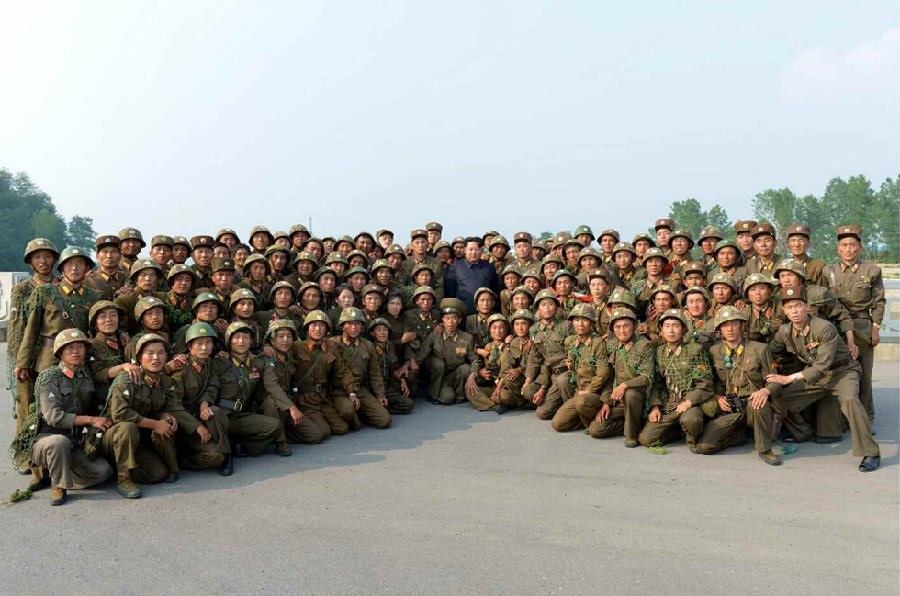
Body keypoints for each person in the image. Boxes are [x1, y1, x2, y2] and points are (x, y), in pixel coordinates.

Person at [766, 287, 880, 472]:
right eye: (789, 307)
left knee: (851, 401)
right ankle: (802, 433)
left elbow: (822, 365)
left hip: (842, 372)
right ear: (784, 311)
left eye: (798, 306)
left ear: (807, 307)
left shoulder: (824, 327)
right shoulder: (784, 332)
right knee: (780, 399)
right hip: (816, 377)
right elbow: (770, 352)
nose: (794, 311)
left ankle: (871, 452)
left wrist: (788, 378)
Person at [22, 329, 114, 505]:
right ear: (60, 352)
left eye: (80, 346)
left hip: (73, 439)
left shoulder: (86, 376)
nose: (75, 351)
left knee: (104, 471)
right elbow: (53, 417)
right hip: (46, 438)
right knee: (58, 442)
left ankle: (59, 472)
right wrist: (90, 420)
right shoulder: (49, 377)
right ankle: (58, 485)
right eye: (69, 347)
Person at [695, 306, 782, 465]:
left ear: (741, 325)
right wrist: (717, 397)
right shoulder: (714, 351)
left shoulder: (759, 349)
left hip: (751, 404)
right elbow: (710, 382)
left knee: (759, 404)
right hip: (730, 407)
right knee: (704, 447)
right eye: (725, 325)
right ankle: (737, 437)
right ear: (720, 329)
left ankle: (765, 449)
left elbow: (775, 380)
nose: (730, 329)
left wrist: (765, 391)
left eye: (734, 324)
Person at [103, 334, 182, 498]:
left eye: (161, 353)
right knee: (127, 427)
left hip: (138, 439)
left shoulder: (164, 381)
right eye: (150, 353)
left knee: (158, 474)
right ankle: (123, 478)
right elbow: (120, 414)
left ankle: (122, 466)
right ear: (139, 357)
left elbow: (156, 406)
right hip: (115, 436)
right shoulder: (127, 379)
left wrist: (165, 415)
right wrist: (155, 424)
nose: (156, 358)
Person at [823, 224, 884, 422]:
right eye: (844, 245)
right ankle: (843, 418)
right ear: (838, 249)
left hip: (862, 327)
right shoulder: (828, 271)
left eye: (852, 245)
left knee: (864, 374)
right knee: (839, 373)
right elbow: (822, 301)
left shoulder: (872, 270)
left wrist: (875, 328)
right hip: (836, 327)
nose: (848, 249)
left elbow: (879, 302)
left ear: (860, 247)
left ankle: (867, 418)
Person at [15, 247, 100, 386]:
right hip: (50, 359)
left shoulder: (94, 296)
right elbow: (31, 330)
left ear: (87, 268)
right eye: (69, 264)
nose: (74, 268)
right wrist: (23, 362)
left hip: (80, 358)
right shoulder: (45, 293)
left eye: (79, 263)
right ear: (62, 269)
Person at [638, 309, 713, 451]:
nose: (671, 330)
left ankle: (693, 435)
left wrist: (689, 402)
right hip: (670, 404)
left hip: (690, 402)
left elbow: (705, 384)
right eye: (667, 326)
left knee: (691, 420)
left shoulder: (695, 350)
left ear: (683, 330)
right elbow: (656, 384)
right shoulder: (659, 352)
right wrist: (655, 406)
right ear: (661, 330)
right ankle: (678, 430)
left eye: (676, 326)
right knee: (646, 439)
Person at [8, 238, 59, 442]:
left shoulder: (61, 285)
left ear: (54, 259)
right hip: (30, 354)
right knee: (27, 404)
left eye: (47, 256)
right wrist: (21, 360)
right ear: (30, 262)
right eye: (37, 257)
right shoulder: (23, 289)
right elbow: (17, 327)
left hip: (54, 353)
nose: (43, 261)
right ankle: (24, 449)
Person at [584, 308, 654, 446]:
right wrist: (607, 402)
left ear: (634, 326)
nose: (622, 331)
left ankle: (632, 434)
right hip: (618, 399)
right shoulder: (612, 346)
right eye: (617, 327)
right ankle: (630, 423)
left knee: (631, 394)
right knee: (596, 430)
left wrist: (625, 385)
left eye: (626, 326)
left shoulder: (645, 345)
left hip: (639, 399)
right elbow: (609, 377)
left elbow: (647, 376)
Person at [549, 304, 610, 433]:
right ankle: (582, 419)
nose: (580, 324)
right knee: (558, 424)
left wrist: (589, 390)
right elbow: (572, 365)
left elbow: (603, 374)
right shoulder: (571, 341)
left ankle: (591, 421)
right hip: (579, 390)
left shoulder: (598, 343)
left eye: (585, 320)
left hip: (595, 393)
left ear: (591, 322)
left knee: (582, 403)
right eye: (577, 320)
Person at [329, 307, 392, 429]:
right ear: (342, 326)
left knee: (385, 420)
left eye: (357, 323)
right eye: (349, 324)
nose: (354, 327)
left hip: (360, 390)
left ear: (362, 326)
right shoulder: (333, 343)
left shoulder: (367, 345)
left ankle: (360, 414)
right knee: (348, 410)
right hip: (340, 391)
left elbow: (374, 372)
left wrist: (380, 394)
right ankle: (352, 415)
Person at [522, 289, 573, 419]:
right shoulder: (534, 329)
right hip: (550, 374)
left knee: (548, 412)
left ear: (556, 307)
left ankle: (570, 408)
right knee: (530, 395)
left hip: (567, 373)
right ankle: (558, 401)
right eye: (543, 305)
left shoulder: (566, 326)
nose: (547, 308)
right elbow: (535, 358)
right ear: (538, 308)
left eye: (550, 304)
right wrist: (527, 381)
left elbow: (574, 351)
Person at [417, 304, 479, 405]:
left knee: (466, 368)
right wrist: (410, 365)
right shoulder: (434, 336)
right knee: (447, 398)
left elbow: (474, 359)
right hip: (439, 374)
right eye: (447, 318)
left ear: (459, 320)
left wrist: (473, 375)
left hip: (455, 374)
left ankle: (460, 395)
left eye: (454, 318)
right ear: (442, 320)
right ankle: (433, 393)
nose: (450, 321)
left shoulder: (467, 338)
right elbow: (422, 354)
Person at [444, 237, 499, 314]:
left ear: (481, 251)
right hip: (463, 312)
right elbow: (450, 292)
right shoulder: (455, 267)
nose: (473, 252)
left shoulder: (489, 267)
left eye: (477, 250)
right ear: (465, 250)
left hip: (485, 312)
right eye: (470, 249)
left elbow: (494, 289)